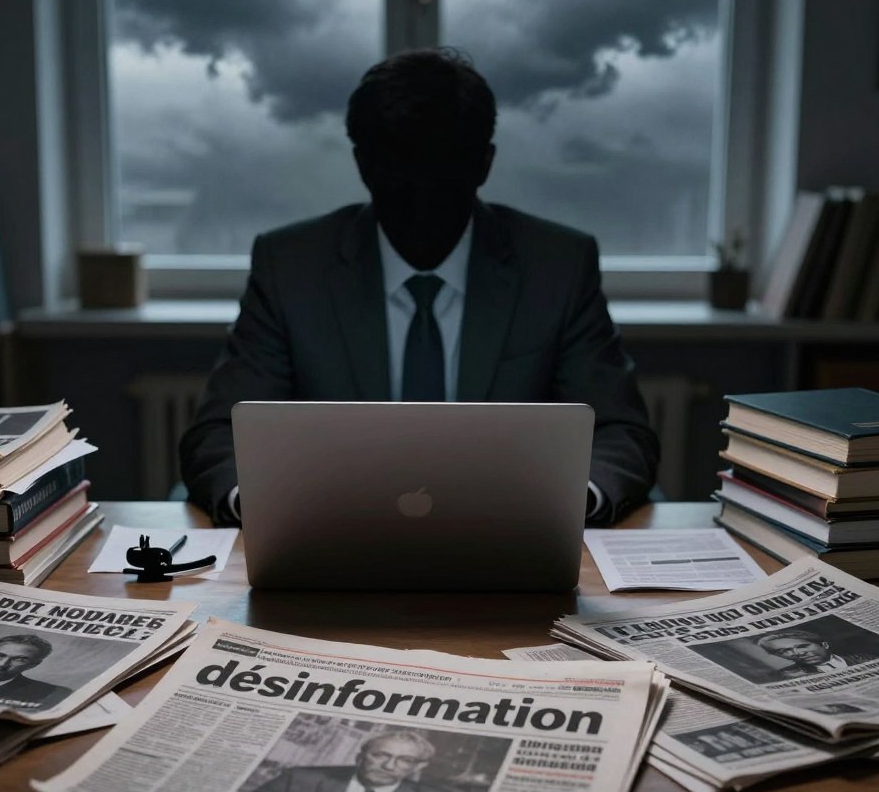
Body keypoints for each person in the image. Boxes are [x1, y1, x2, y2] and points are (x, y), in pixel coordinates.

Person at [180, 47, 659, 527]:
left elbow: (619, 431)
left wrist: (577, 502)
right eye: (398, 170)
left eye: (442, 170)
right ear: (363, 167)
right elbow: (221, 433)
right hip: (332, 539)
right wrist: (262, 504)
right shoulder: (291, 268)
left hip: (508, 540)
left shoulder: (557, 266)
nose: (421, 194)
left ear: (483, 164)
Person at [251, 729, 459, 792]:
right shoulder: (298, 778)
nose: (388, 765)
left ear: (418, 766)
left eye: (405, 760)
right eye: (380, 755)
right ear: (360, 757)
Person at [754, 629, 877, 679]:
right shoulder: (784, 676)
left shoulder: (868, 659)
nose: (797, 653)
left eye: (803, 646)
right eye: (784, 651)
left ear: (824, 645)